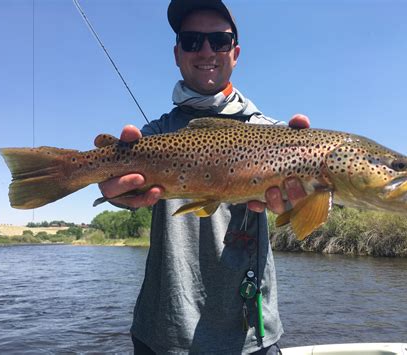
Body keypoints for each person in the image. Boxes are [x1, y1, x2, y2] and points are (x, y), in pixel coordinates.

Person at [100, 0, 310, 353]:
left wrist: (302, 203)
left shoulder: (276, 135)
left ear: (236, 52)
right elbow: (120, 188)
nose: (207, 50)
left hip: (249, 335)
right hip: (163, 333)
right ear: (177, 52)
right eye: (193, 40)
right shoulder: (153, 135)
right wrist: (112, 191)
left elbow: (307, 217)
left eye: (219, 40)